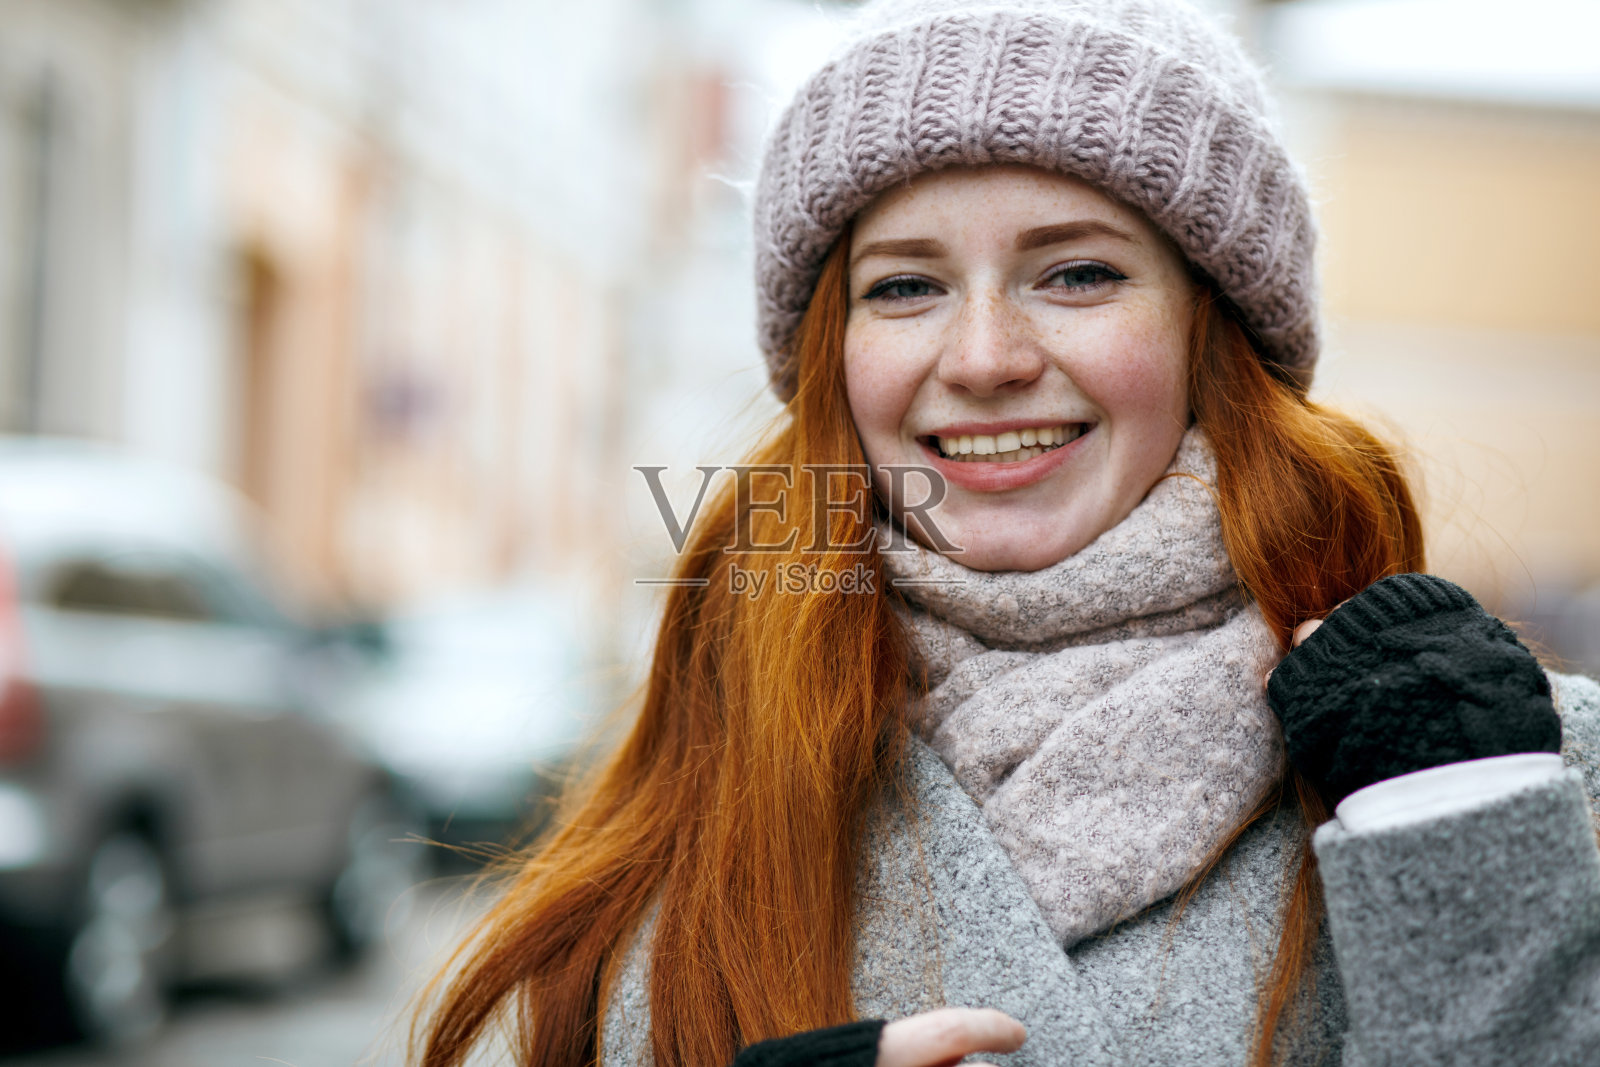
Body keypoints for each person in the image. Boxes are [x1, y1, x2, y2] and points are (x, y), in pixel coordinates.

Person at [414, 1, 1600, 1065]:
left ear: (1212, 331)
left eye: (1077, 273)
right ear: (831, 355)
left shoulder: (1513, 766)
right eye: (903, 286)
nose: (983, 358)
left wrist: (1468, 864)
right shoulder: (713, 758)